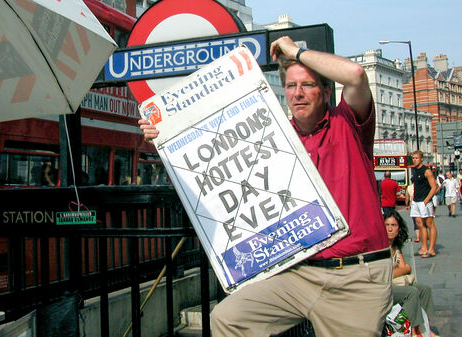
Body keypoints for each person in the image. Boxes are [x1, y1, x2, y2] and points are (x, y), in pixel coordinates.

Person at [141, 36, 392, 336]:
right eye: (290, 86)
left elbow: (355, 75)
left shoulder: (347, 122)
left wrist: (296, 52)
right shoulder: (276, 134)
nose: (297, 93)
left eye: (308, 85)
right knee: (227, 318)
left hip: (355, 275)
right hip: (299, 274)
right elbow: (217, 161)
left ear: (327, 92)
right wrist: (166, 139)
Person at [385, 209, 438, 337]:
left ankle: (425, 327)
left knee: (424, 290)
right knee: (411, 293)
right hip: (384, 287)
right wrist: (402, 269)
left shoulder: (395, 246)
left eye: (394, 225)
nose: (390, 229)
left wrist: (401, 269)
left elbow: (405, 268)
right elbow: (387, 274)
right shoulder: (382, 247)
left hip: (396, 284)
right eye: (387, 225)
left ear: (399, 229)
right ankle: (412, 331)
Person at [410, 150, 438, 258]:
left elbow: (434, 187)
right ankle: (423, 247)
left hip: (424, 201)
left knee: (429, 224)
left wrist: (426, 200)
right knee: (420, 224)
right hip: (416, 200)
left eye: (417, 158)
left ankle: (431, 249)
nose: (415, 160)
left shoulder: (427, 171)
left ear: (421, 159)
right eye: (413, 158)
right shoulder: (414, 170)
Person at [405, 178, 420, 242]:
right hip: (421, 204)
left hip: (413, 205)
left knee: (415, 221)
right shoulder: (420, 187)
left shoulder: (409, 187)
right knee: (422, 220)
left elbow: (407, 198)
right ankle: (424, 234)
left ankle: (418, 237)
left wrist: (407, 205)